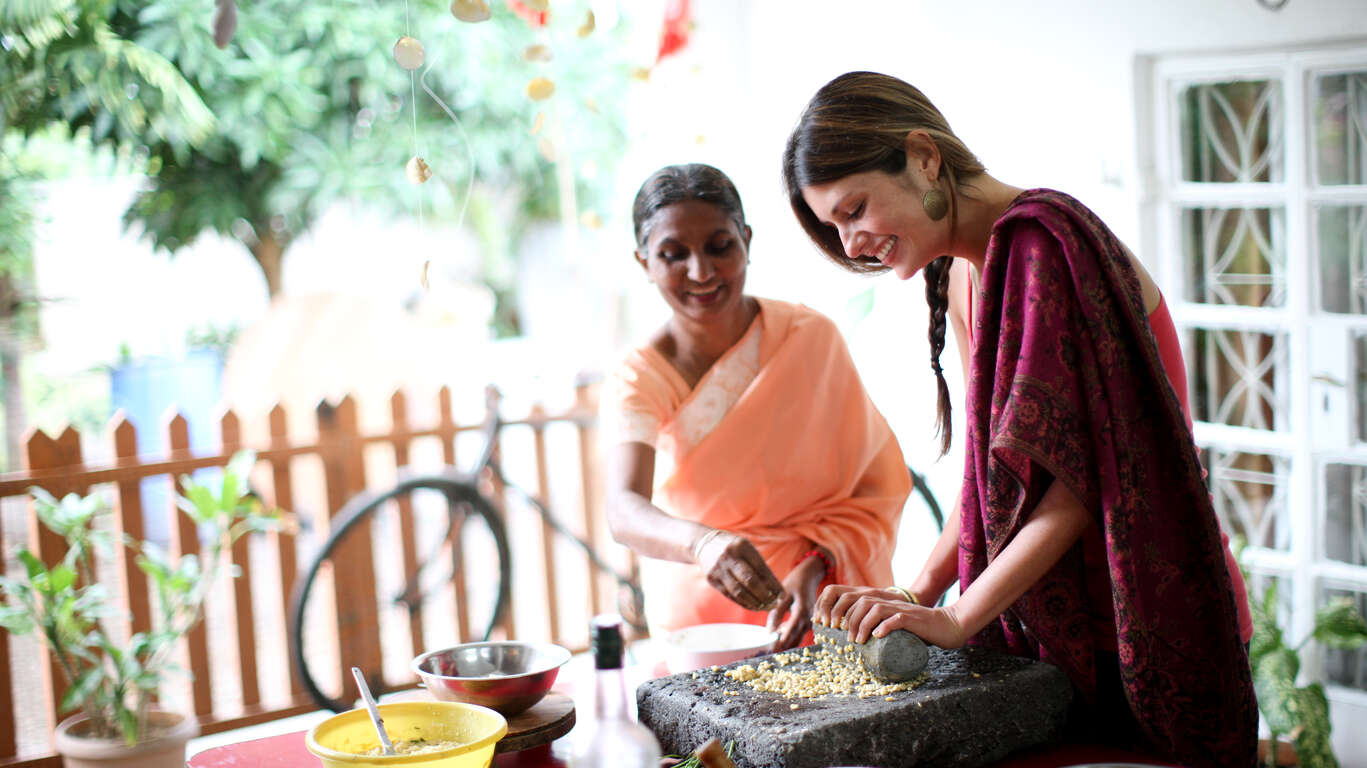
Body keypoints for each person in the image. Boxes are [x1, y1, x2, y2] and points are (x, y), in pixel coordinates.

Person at [783, 72, 1256, 767]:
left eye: (854, 209)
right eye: (834, 227)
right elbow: (987, 480)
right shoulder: (969, 271)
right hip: (1063, 641)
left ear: (922, 155)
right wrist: (912, 596)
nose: (852, 244)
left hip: (1138, 633)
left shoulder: (1042, 246)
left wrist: (953, 619)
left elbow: (1073, 490)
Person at [601, 163, 910, 653]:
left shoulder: (810, 338)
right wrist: (705, 544)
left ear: (746, 238)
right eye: (672, 254)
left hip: (824, 602)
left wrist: (819, 562)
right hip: (703, 620)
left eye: (720, 246)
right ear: (644, 262)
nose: (701, 272)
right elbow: (623, 509)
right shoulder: (640, 376)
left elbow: (878, 485)